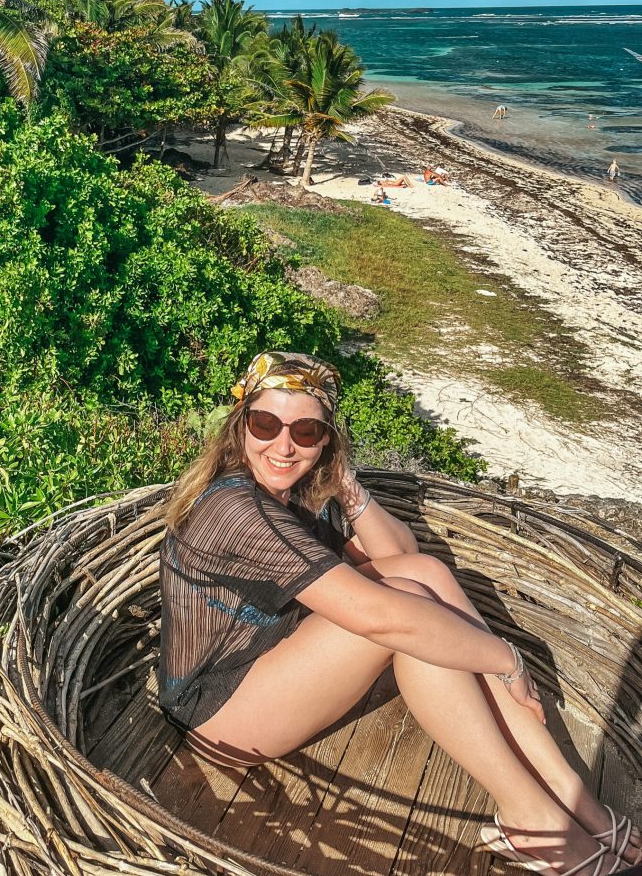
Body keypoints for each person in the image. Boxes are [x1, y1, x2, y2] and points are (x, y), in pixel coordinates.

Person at [159, 351, 640, 875]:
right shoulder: (233, 508)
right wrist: (506, 659)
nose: (283, 444)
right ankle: (532, 819)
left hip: (270, 662)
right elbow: (383, 618)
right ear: (240, 426)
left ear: (326, 441)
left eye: (306, 431)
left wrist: (347, 485)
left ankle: (572, 799)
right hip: (215, 714)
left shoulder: (292, 494)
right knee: (403, 624)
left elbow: (402, 558)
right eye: (266, 423)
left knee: (424, 580)